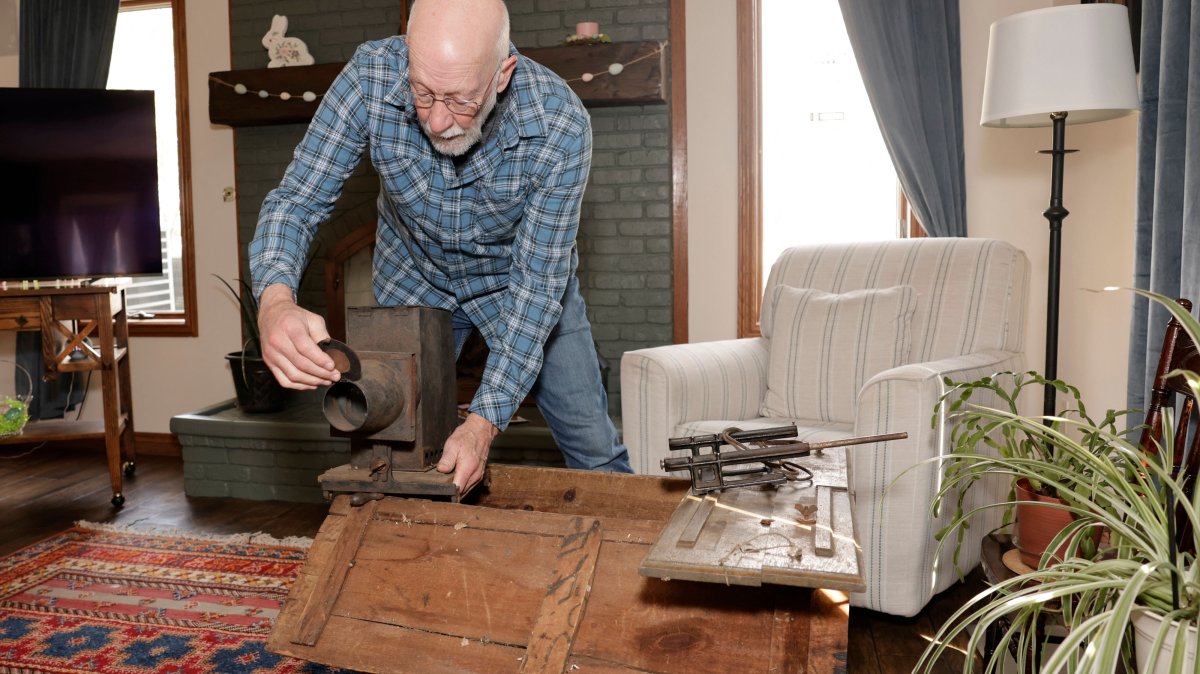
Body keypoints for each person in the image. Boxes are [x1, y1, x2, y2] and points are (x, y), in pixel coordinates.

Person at [249, 0, 631, 495]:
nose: (434, 121)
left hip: (517, 287)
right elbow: (298, 199)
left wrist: (484, 422)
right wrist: (274, 300)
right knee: (392, 452)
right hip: (414, 278)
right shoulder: (371, 75)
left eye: (458, 100)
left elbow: (536, 289)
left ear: (502, 75)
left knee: (596, 452)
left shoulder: (560, 124)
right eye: (422, 92)